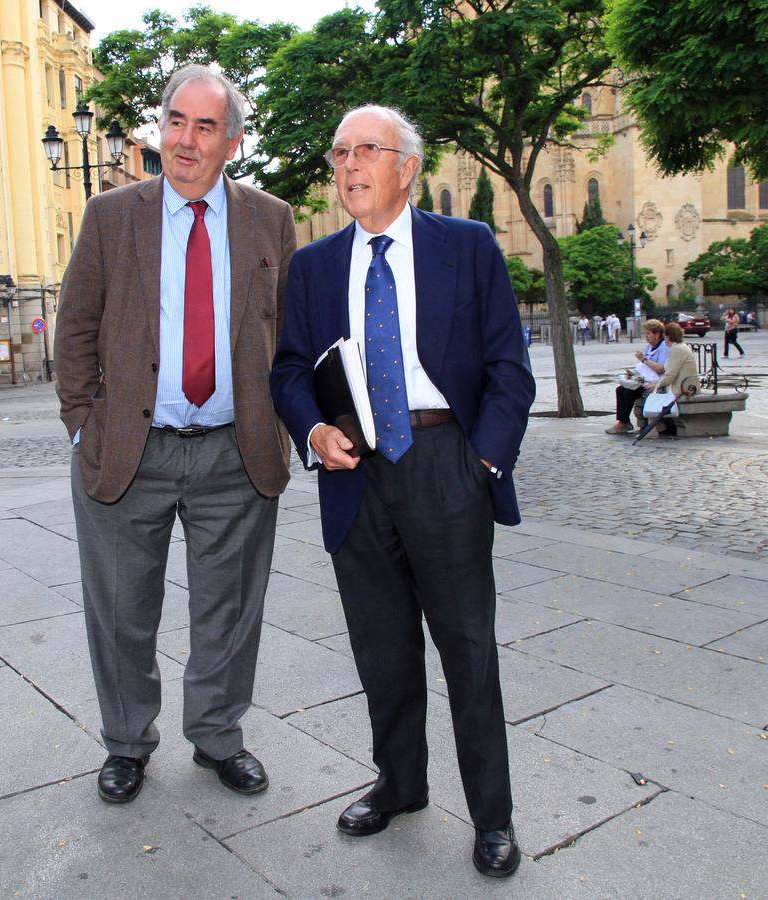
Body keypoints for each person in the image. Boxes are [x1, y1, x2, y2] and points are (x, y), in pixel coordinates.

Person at [270, 104, 534, 878]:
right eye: (339, 152)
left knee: (467, 651)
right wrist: (313, 433)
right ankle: (400, 784)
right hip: (356, 474)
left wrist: (481, 465)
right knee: (381, 650)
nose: (348, 165)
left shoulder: (468, 246)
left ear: (406, 167)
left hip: (445, 460)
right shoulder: (314, 265)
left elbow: (508, 370)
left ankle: (492, 815)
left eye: (366, 150)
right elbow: (288, 368)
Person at [55, 65, 297, 807]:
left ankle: (218, 735)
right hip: (129, 450)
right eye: (174, 121)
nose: (184, 141)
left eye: (204, 126)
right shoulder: (110, 214)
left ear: (233, 140)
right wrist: (81, 425)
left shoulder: (270, 219)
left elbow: (287, 331)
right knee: (121, 610)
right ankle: (126, 742)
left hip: (237, 448)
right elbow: (75, 328)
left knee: (228, 609)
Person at [604, 319, 669, 435]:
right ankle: (624, 421)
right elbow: (644, 367)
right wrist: (634, 373)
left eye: (649, 333)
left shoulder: (664, 347)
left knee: (629, 392)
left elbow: (661, 368)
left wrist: (644, 359)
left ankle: (623, 424)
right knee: (620, 389)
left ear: (657, 334)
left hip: (657, 382)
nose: (646, 336)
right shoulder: (649, 347)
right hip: (645, 379)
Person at [645, 322, 699, 437]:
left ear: (668, 336)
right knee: (651, 391)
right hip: (681, 383)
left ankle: (653, 429)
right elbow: (669, 371)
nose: (664, 339)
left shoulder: (677, 349)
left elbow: (670, 375)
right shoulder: (677, 347)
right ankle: (656, 426)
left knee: (652, 393)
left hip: (684, 386)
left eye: (665, 336)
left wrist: (656, 384)